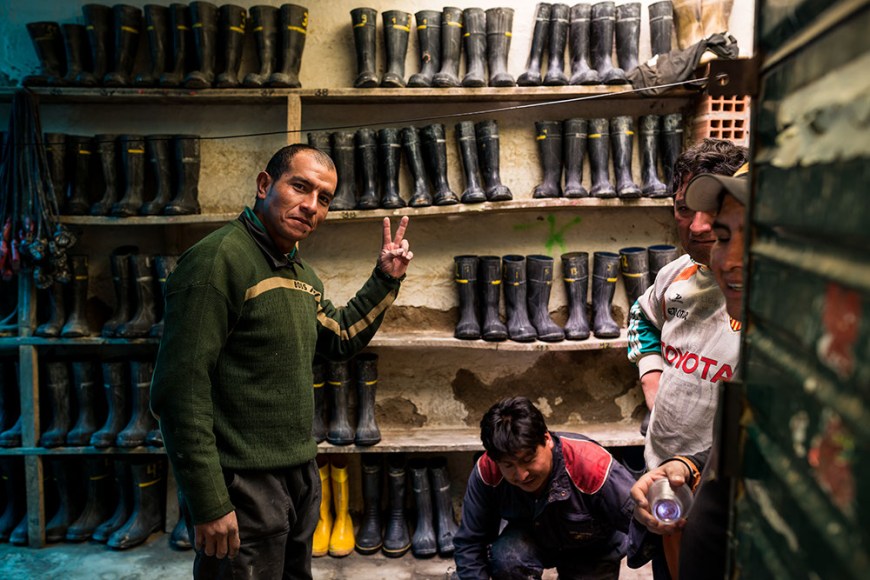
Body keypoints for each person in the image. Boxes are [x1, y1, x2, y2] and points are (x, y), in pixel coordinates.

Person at [150, 144, 413, 579]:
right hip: (243, 485)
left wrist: (386, 277)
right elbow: (179, 391)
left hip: (297, 479)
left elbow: (341, 337)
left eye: (324, 198)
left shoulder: (300, 276)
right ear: (264, 184)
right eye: (300, 187)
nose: (311, 206)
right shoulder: (217, 262)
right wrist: (210, 500)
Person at [626, 139, 746, 578]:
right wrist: (651, 375)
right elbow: (642, 315)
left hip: (721, 481)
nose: (695, 227)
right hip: (663, 471)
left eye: (712, 217)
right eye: (681, 209)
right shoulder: (674, 275)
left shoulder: (747, 290)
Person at [453, 396, 636, 579]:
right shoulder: (488, 472)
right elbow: (470, 544)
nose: (521, 475)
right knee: (507, 557)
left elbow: (645, 526)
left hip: (592, 549)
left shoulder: (592, 466)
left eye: (528, 460)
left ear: (546, 439)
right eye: (508, 465)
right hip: (531, 540)